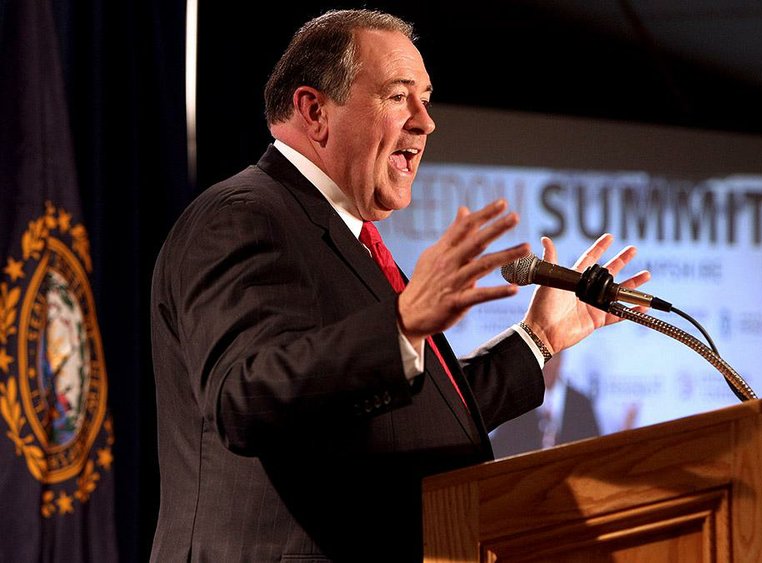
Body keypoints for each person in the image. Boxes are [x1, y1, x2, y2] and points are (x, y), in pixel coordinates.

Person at [149, 8, 650, 562]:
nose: (426, 121)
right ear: (315, 111)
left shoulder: (348, 240)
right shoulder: (242, 216)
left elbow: (411, 416)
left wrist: (539, 339)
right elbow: (245, 397)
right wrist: (402, 322)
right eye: (397, 96)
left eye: (426, 98)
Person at [489, 352, 601, 457]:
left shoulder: (580, 404)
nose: (545, 366)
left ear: (560, 360)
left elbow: (592, 449)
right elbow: (503, 447)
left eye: (551, 358)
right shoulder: (519, 402)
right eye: (540, 359)